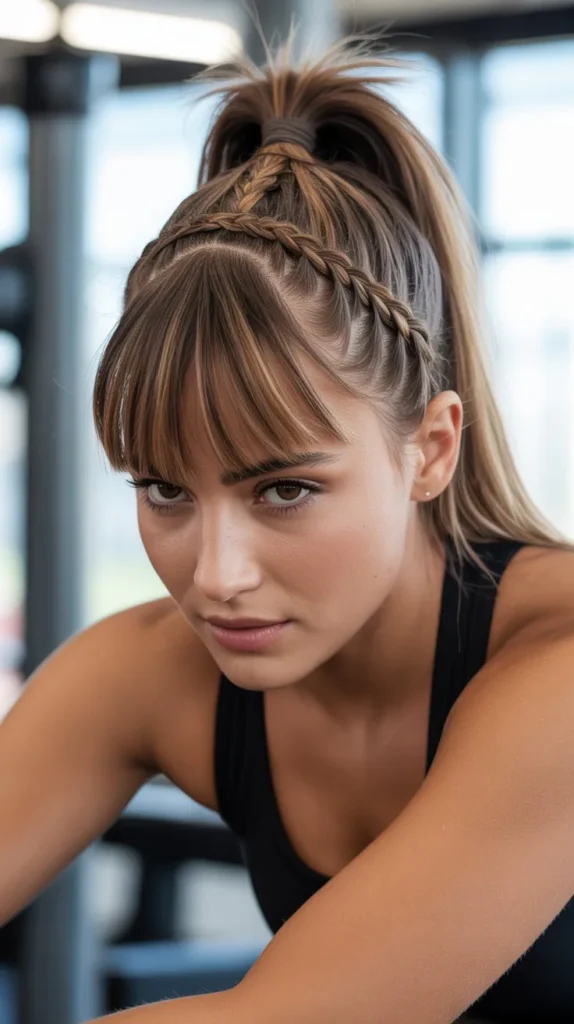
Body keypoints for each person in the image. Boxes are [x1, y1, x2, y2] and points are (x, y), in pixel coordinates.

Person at [2, 33, 574, 1024]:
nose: (214, 576)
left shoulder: (556, 676)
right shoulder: (152, 674)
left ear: (429, 448)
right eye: (164, 489)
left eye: (284, 491)